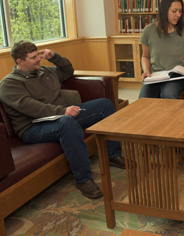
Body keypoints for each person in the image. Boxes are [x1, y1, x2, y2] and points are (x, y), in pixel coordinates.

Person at [0, 41, 125, 200]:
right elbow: (31, 107)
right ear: (19, 61)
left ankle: (113, 154)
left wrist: (54, 57)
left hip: (61, 117)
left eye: (38, 55)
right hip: (33, 128)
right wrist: (62, 111)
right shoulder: (9, 84)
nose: (38, 59)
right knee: (67, 123)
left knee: (104, 105)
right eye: (33, 58)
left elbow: (67, 70)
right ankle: (83, 179)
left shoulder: (44, 71)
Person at [139, 0, 184, 99]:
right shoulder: (148, 31)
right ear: (163, 11)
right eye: (174, 11)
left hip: (178, 76)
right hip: (156, 76)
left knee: (168, 94)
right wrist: (146, 70)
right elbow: (145, 56)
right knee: (143, 99)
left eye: (180, 11)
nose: (178, 15)